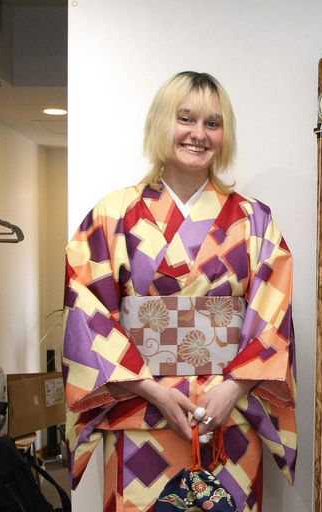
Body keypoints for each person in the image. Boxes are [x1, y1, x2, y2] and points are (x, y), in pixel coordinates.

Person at [63, 71, 296, 512]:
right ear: (161, 124)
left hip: (227, 414)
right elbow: (86, 309)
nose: (198, 134)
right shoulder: (114, 214)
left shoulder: (253, 219)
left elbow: (272, 310)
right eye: (185, 118)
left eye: (213, 123)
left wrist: (230, 389)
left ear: (224, 135)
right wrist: (153, 390)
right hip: (140, 412)